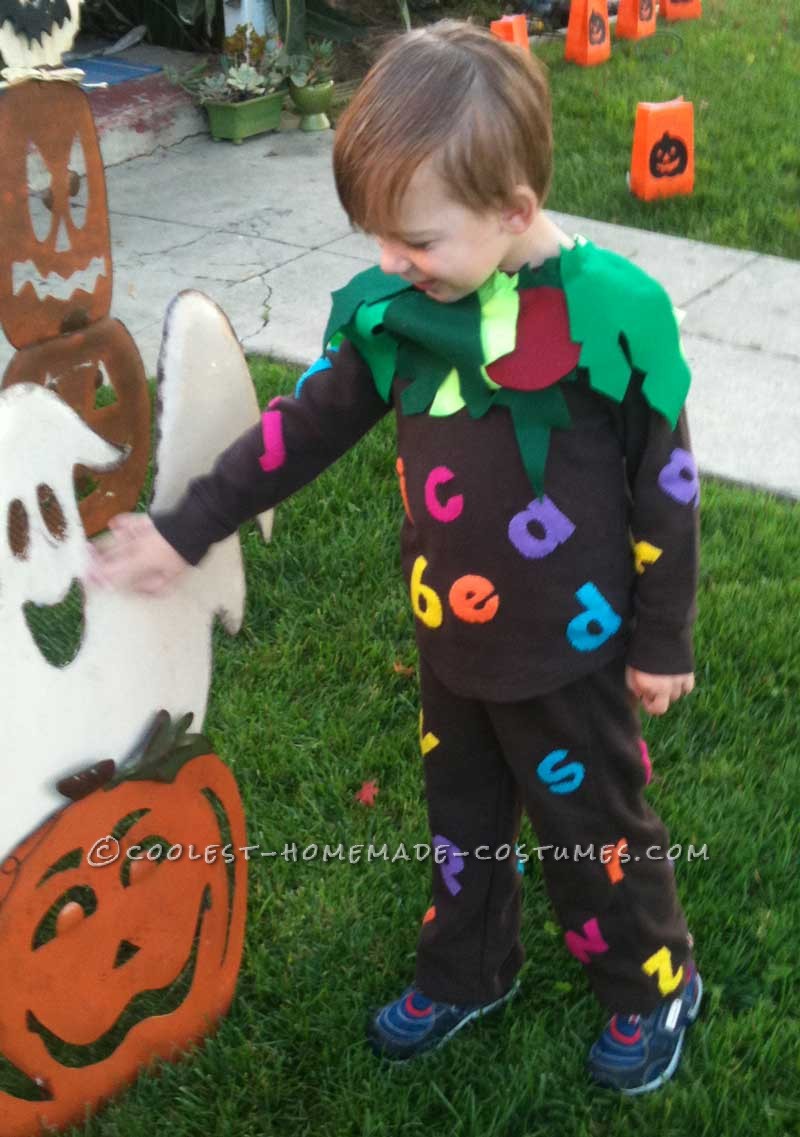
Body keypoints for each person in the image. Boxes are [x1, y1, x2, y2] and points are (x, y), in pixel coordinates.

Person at [90, 20, 703, 1095]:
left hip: (572, 652)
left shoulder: (610, 316)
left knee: (590, 839)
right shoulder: (402, 318)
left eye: (415, 239)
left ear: (513, 212)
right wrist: (186, 525)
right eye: (376, 236)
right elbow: (304, 427)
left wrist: (659, 639)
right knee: (460, 825)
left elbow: (666, 482)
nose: (389, 262)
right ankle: (466, 970)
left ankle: (652, 984)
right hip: (451, 640)